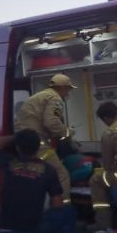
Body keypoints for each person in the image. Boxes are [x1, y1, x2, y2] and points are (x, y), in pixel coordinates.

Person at [14, 73, 76, 204]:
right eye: (68, 89)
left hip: (25, 142)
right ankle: (63, 208)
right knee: (61, 173)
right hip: (37, 143)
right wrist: (68, 132)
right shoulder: (55, 98)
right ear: (62, 88)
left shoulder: (41, 96)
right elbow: (51, 122)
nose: (68, 93)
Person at [83, 101, 117, 233]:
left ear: (106, 118)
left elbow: (107, 165)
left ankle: (103, 225)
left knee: (96, 180)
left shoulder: (109, 133)